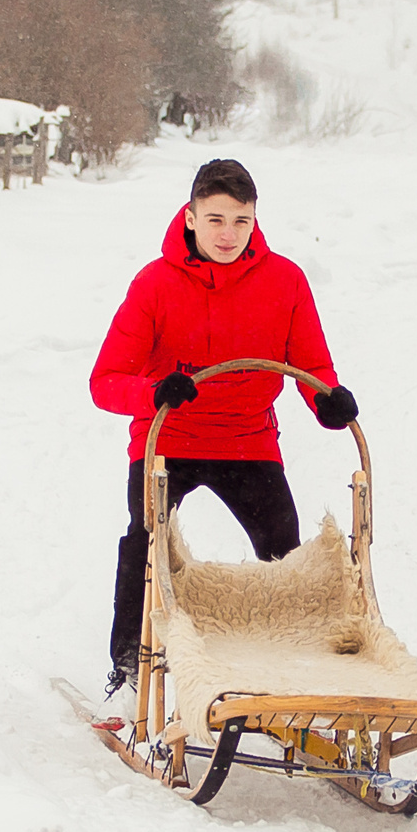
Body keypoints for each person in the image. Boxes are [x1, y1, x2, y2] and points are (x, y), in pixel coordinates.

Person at [90, 157, 359, 693]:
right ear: (190, 218)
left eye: (241, 221)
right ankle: (127, 664)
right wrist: (154, 389)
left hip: (247, 440)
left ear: (255, 219)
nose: (229, 234)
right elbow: (105, 381)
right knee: (146, 540)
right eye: (215, 220)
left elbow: (312, 365)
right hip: (168, 437)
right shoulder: (154, 283)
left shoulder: (286, 280)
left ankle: (291, 666)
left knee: (285, 553)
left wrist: (326, 401)